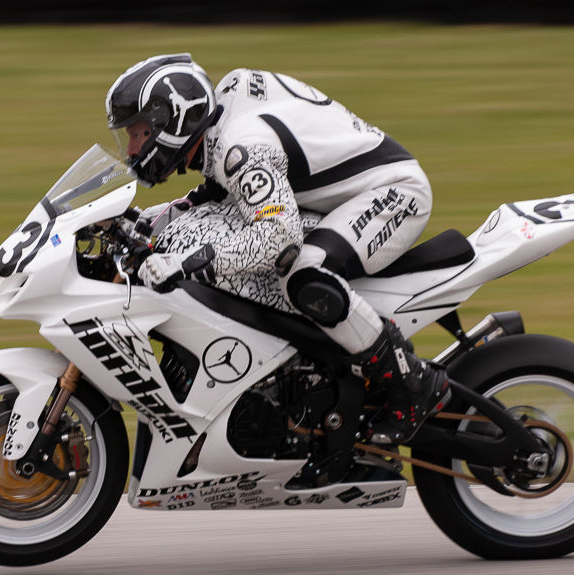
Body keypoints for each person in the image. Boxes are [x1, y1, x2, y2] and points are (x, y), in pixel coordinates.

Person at [105, 53, 449, 445]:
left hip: (394, 194)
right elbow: (215, 193)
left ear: (176, 119)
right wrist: (134, 221)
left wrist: (185, 265)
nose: (132, 150)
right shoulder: (222, 122)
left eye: (139, 134)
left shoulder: (243, 145)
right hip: (338, 196)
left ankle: (413, 383)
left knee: (302, 274)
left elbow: (278, 239)